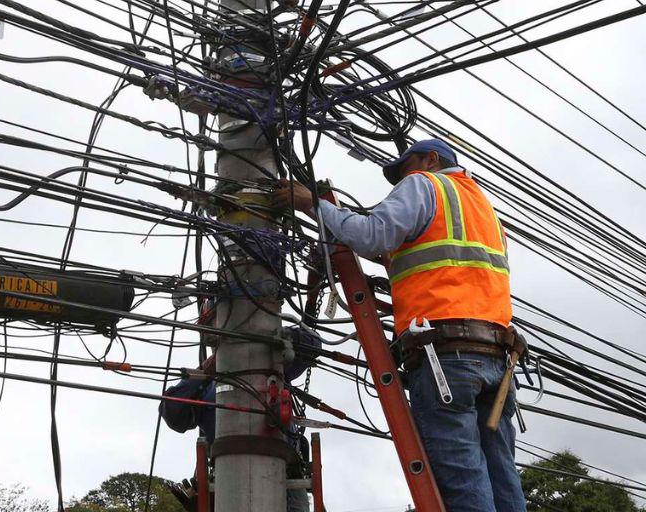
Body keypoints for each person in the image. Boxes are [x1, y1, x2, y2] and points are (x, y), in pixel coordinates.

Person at [272, 137, 526, 512]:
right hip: (497, 360)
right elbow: (418, 254)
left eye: (405, 169)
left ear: (431, 159)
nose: (400, 183)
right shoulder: (485, 210)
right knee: (503, 482)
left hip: (445, 359)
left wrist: (313, 205)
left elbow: (372, 235)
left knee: (464, 485)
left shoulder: (425, 184)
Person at [160, 324, 321, 512]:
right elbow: (172, 410)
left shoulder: (271, 365)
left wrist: (264, 334)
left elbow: (313, 342)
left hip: (286, 480)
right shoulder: (206, 387)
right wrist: (206, 370)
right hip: (229, 481)